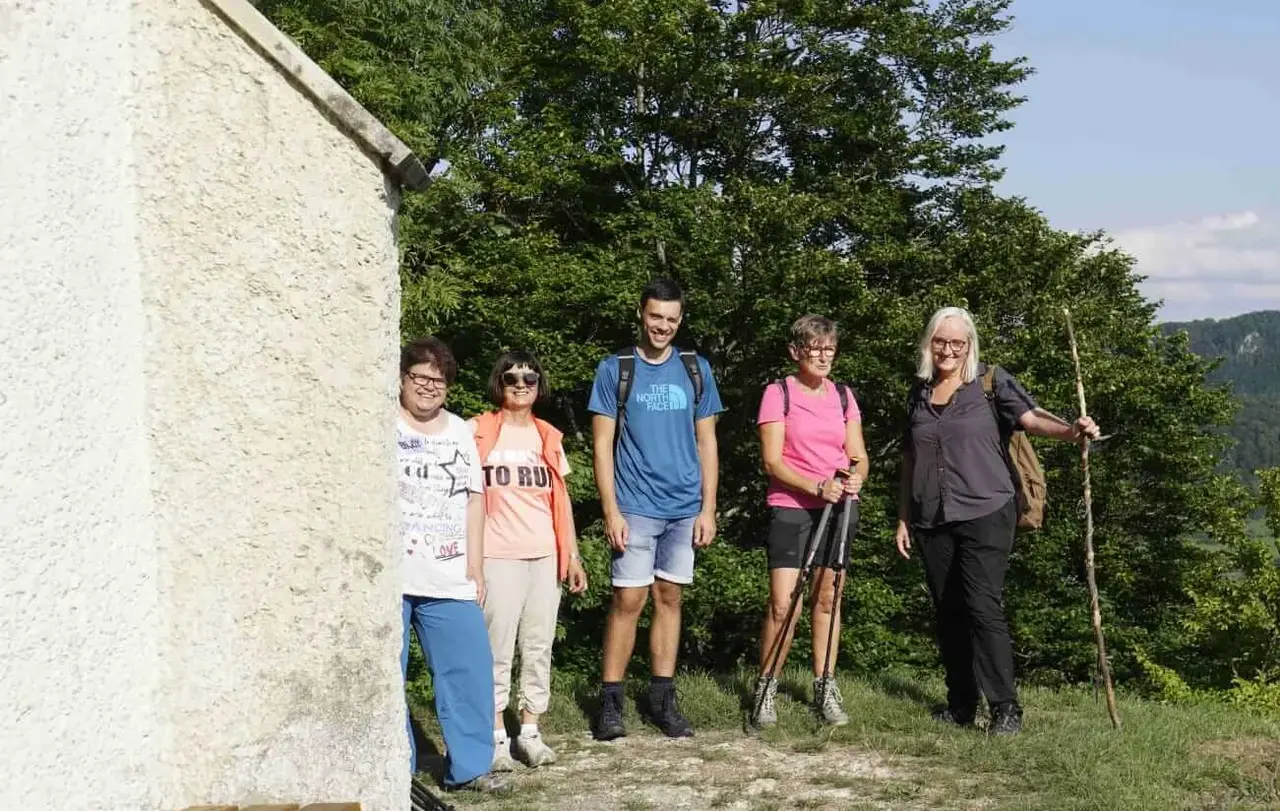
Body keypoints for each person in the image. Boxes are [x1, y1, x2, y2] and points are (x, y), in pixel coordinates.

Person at [895, 307, 1101, 735]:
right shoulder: (918, 392)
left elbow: (1032, 418)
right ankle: (961, 705)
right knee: (948, 611)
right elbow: (909, 460)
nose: (948, 350)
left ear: (969, 346)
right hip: (932, 516)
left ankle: (1005, 708)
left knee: (981, 606)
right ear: (928, 343)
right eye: (940, 341)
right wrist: (903, 518)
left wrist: (1072, 431)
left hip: (986, 510)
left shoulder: (990, 382)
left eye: (957, 342)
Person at [587, 277, 725, 740]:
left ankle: (663, 701)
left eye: (670, 319)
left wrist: (708, 508)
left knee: (671, 599)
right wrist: (611, 511)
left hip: (685, 507)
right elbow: (602, 446)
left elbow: (707, 441)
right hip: (635, 505)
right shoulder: (616, 369)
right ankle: (611, 704)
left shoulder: (695, 369)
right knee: (629, 599)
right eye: (654, 317)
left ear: (679, 320)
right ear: (641, 315)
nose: (661, 326)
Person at [397, 337, 509, 793]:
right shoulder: (381, 424)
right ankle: (393, 767)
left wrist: (476, 566)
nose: (427, 386)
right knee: (387, 673)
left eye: (437, 380)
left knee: (468, 670)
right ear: (402, 379)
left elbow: (474, 502)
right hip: (391, 577)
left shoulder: (461, 430)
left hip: (449, 572)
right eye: (419, 377)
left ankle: (470, 767)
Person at [469, 350, 589, 771]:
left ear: (540, 385)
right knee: (496, 649)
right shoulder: (477, 431)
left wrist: (572, 555)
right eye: (511, 378)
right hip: (496, 556)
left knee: (538, 647)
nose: (521, 385)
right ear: (498, 383)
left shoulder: (548, 436)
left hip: (544, 556)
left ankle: (531, 732)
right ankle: (496, 736)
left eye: (530, 378)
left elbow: (563, 501)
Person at [752, 314, 870, 727]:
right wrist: (814, 486)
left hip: (839, 507)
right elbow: (772, 461)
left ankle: (825, 685)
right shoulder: (778, 392)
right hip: (791, 505)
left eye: (829, 349)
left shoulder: (842, 396)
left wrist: (856, 476)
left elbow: (858, 454)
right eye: (814, 349)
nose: (823, 357)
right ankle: (766, 685)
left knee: (828, 598)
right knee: (784, 604)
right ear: (796, 351)